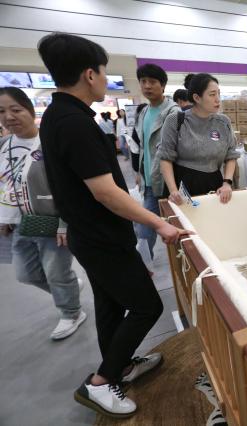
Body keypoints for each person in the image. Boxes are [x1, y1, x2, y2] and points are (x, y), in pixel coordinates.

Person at [37, 32, 191, 418]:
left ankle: (120, 365)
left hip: (91, 235)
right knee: (146, 305)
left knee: (108, 305)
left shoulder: (61, 116)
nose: (108, 80)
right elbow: (105, 191)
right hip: (101, 236)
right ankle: (101, 382)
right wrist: (159, 224)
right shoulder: (73, 122)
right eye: (105, 73)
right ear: (90, 74)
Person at [0, 86, 86, 340]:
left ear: (29, 110)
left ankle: (71, 312)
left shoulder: (48, 143)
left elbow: (67, 187)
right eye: (2, 112)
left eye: (15, 110)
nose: (9, 117)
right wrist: (4, 218)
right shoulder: (4, 146)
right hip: (19, 223)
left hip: (50, 221)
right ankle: (69, 288)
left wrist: (64, 222)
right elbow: (6, 184)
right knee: (25, 274)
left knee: (57, 272)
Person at [159, 73, 239, 204]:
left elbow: (231, 155)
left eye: (218, 93)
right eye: (212, 94)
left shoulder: (223, 122)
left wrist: (227, 183)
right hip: (182, 186)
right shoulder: (176, 120)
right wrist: (173, 191)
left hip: (215, 185)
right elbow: (165, 157)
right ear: (197, 97)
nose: (218, 99)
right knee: (183, 224)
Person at [134, 63, 180, 258]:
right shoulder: (143, 112)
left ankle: (146, 267)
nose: (147, 86)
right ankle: (146, 267)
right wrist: (139, 172)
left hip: (168, 182)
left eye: (152, 82)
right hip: (149, 180)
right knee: (146, 230)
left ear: (163, 85)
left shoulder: (173, 112)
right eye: (143, 81)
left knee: (168, 228)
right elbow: (143, 147)